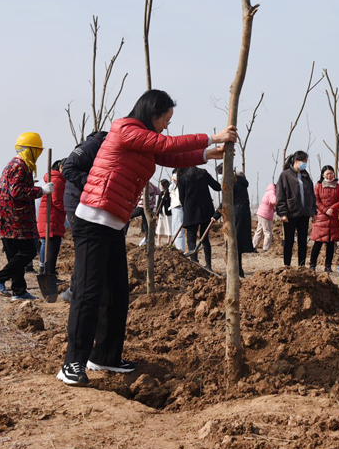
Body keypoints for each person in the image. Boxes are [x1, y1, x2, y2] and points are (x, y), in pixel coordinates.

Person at [57, 89, 236, 386]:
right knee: (89, 293)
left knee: (117, 294)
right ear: (153, 113)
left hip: (114, 224)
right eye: (165, 118)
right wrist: (211, 137)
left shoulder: (143, 141)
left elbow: (168, 154)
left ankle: (105, 356)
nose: (166, 125)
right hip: (93, 220)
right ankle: (72, 363)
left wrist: (206, 154)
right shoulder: (125, 128)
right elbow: (165, 143)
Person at [0, 132, 53, 301]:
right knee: (28, 251)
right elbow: (16, 192)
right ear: (29, 150)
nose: (37, 155)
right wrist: (41, 191)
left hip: (6, 217)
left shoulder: (14, 164)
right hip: (14, 219)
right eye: (36, 151)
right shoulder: (20, 166)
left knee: (14, 254)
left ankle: (19, 291)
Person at [61, 130, 108, 303]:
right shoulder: (92, 145)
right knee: (86, 249)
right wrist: (93, 183)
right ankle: (75, 290)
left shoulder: (105, 147)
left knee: (93, 249)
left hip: (91, 203)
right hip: (77, 203)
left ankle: (82, 287)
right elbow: (68, 168)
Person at [276, 151, 316, 267]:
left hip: (304, 213)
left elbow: (311, 195)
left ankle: (301, 266)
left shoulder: (306, 175)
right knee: (289, 242)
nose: (304, 164)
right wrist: (283, 213)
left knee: (302, 242)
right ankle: (287, 265)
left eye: (305, 162)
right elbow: (280, 195)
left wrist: (313, 212)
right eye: (302, 161)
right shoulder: (285, 175)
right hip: (290, 213)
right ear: (295, 161)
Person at [213, 167, 256, 277]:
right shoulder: (240, 183)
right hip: (243, 213)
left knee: (233, 242)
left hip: (236, 214)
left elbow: (225, 201)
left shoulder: (232, 184)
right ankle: (238, 270)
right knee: (238, 243)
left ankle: (234, 271)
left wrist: (215, 216)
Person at [178, 165, 221, 270]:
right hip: (205, 209)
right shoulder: (203, 173)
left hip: (190, 210)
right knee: (205, 238)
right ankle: (209, 266)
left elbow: (181, 197)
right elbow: (217, 187)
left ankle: (194, 264)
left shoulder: (182, 177)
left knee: (191, 238)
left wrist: (185, 209)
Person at [309, 165, 339, 273]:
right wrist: (325, 210)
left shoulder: (338, 186)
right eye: (327, 174)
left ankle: (328, 266)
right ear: (323, 175)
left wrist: (332, 208)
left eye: (331, 173)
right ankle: (312, 265)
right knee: (317, 243)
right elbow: (315, 200)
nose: (330, 175)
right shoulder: (318, 185)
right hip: (321, 217)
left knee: (331, 244)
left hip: (333, 217)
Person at [38, 160, 67, 276]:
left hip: (50, 217)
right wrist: (69, 209)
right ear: (60, 167)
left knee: (47, 244)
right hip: (51, 218)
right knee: (51, 247)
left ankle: (45, 269)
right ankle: (48, 272)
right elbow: (57, 201)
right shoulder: (57, 180)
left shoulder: (54, 179)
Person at [252, 183, 276, 252]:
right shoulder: (272, 192)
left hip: (261, 213)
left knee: (259, 231)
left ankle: (253, 246)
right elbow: (274, 201)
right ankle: (266, 249)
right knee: (268, 232)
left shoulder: (268, 191)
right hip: (265, 214)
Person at [169, 170, 185, 251]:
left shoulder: (180, 182)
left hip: (178, 207)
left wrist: (175, 179)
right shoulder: (173, 186)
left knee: (178, 231)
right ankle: (177, 248)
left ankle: (180, 250)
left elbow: (177, 181)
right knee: (175, 230)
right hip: (174, 207)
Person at [155, 178, 172, 246]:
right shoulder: (161, 193)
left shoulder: (169, 193)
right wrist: (157, 212)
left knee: (169, 225)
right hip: (161, 213)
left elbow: (170, 202)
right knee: (160, 226)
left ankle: (168, 241)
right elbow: (159, 203)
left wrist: (165, 198)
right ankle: (158, 241)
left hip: (168, 212)